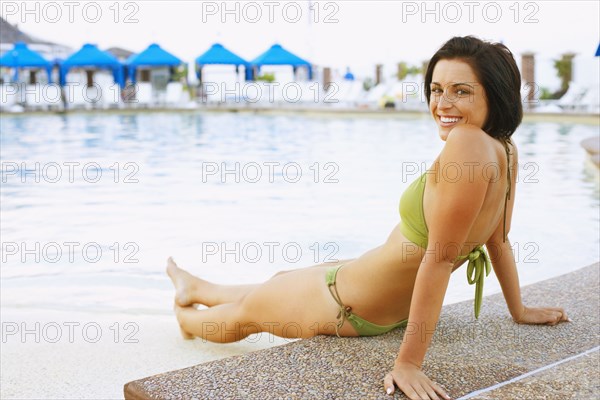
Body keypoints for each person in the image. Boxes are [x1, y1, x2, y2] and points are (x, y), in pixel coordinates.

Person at [167, 36, 569, 400]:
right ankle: (197, 288)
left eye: (461, 91)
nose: (442, 104)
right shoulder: (506, 149)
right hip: (362, 289)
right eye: (436, 89)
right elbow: (498, 239)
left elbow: (441, 259)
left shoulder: (466, 144)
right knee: (275, 284)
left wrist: (408, 364)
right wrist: (519, 310)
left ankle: (185, 317)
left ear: (495, 95)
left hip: (344, 303)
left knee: (243, 318)